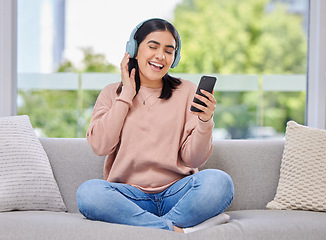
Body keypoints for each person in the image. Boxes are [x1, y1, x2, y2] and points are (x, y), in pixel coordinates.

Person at [77, 18, 234, 233]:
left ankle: (150, 230)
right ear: (134, 49)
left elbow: (193, 159)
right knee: (88, 193)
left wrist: (205, 122)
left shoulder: (187, 91)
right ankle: (171, 231)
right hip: (129, 198)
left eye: (169, 51)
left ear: (175, 58)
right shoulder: (111, 93)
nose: (160, 56)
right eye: (153, 46)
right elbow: (100, 146)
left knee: (220, 182)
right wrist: (127, 95)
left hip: (177, 195)